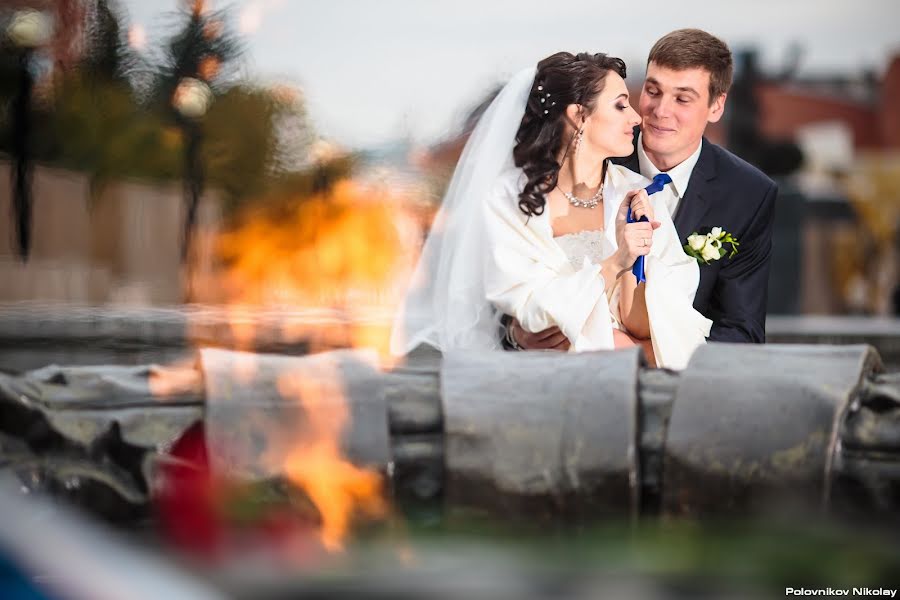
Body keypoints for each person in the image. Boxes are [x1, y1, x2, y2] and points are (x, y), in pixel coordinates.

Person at [391, 51, 711, 370]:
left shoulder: (640, 194)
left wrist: (633, 261)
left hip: (636, 376)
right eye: (619, 105)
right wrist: (615, 263)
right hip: (545, 382)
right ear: (578, 116)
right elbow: (532, 311)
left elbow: (663, 321)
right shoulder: (507, 198)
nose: (636, 118)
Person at [510, 29, 778, 351]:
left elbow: (742, 332)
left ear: (716, 106)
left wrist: (643, 358)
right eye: (653, 91)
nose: (659, 111)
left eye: (682, 98)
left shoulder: (747, 193)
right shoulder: (598, 153)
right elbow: (511, 273)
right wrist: (516, 333)